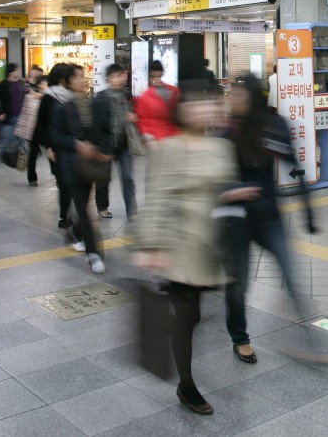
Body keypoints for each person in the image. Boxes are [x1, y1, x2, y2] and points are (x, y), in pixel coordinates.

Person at [132, 80, 247, 415]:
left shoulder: (221, 147)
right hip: (179, 244)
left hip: (211, 246)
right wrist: (152, 245)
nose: (206, 109)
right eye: (197, 104)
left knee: (194, 314)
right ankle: (187, 386)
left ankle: (179, 355)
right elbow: (156, 198)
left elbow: (227, 187)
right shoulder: (168, 148)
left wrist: (235, 197)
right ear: (181, 111)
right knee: (186, 317)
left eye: (211, 103)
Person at [220, 75, 317, 364]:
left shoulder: (274, 126)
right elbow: (214, 179)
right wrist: (234, 190)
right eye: (231, 96)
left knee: (291, 273)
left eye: (239, 96)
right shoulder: (227, 132)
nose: (233, 101)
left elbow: (295, 167)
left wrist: (308, 209)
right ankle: (240, 339)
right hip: (236, 218)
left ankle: (309, 338)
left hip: (268, 215)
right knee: (238, 284)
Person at [48, 63, 105, 274]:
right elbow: (55, 136)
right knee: (83, 209)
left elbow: (100, 132)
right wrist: (76, 144)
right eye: (78, 77)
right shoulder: (63, 108)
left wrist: (101, 149)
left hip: (90, 166)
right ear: (70, 82)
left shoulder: (94, 105)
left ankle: (74, 231)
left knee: (84, 206)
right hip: (71, 166)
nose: (83, 79)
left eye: (84, 76)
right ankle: (94, 253)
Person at [90, 64, 138, 220]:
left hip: (124, 144)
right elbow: (96, 125)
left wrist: (131, 118)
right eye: (115, 76)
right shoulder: (100, 98)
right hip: (106, 145)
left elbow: (131, 115)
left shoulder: (126, 95)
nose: (119, 79)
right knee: (104, 178)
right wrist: (102, 148)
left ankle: (132, 210)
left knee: (127, 177)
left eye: (121, 76)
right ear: (109, 78)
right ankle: (102, 206)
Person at [36, 65, 73, 225]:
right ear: (61, 79)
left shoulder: (73, 96)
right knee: (63, 182)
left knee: (70, 182)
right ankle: (64, 216)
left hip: (71, 145)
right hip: (55, 146)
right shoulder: (48, 97)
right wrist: (48, 146)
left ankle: (69, 214)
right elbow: (41, 124)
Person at [136, 60, 180, 142]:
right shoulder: (145, 96)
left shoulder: (173, 91)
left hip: (170, 135)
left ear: (162, 75)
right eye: (153, 77)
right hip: (155, 138)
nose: (156, 80)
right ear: (149, 77)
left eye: (159, 76)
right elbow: (142, 120)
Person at [0, 62, 25, 154]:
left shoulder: (19, 83)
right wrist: (0, 112)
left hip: (20, 115)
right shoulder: (3, 84)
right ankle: (2, 155)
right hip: (10, 116)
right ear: (10, 72)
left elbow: (22, 97)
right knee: (7, 138)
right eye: (16, 70)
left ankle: (21, 154)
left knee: (21, 137)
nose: (18, 72)